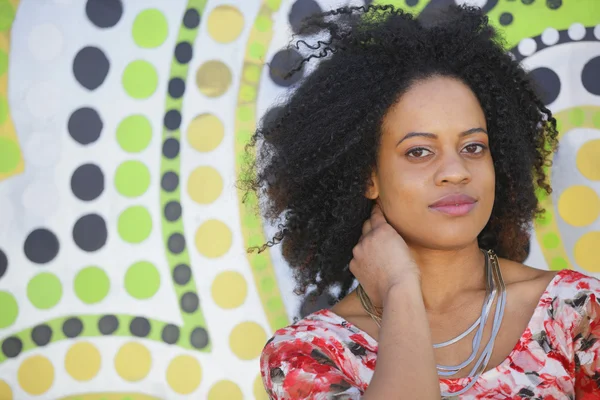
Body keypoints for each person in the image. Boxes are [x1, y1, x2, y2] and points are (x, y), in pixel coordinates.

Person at [239, 4, 600, 399]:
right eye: (419, 152)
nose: (456, 171)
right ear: (368, 177)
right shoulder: (310, 355)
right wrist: (400, 288)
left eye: (474, 147)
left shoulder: (576, 313)